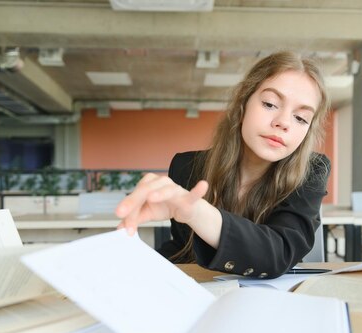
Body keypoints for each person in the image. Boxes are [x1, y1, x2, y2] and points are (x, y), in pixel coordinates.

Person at [116, 51, 331, 278]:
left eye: (301, 118)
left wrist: (197, 213)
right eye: (270, 104)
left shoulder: (312, 171)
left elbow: (280, 252)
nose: (284, 123)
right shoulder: (186, 167)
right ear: (242, 106)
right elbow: (184, 251)